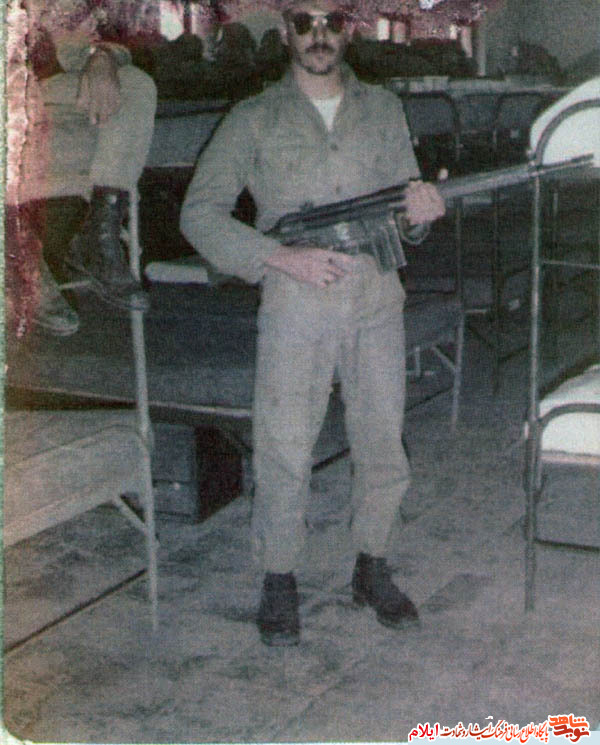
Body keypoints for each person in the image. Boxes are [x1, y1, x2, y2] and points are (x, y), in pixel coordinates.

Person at [180, 0, 445, 647]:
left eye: (332, 21)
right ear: (286, 32)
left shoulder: (384, 108)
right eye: (305, 22)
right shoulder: (254, 116)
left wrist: (421, 213)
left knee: (382, 440)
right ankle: (279, 577)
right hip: (296, 302)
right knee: (284, 445)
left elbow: (405, 210)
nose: (319, 35)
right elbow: (199, 213)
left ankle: (372, 565)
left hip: (376, 297)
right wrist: (277, 256)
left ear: (348, 29)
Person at [6, 0, 156, 337]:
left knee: (135, 84)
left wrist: (101, 58)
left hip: (39, 101)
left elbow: (81, 36)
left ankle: (97, 235)